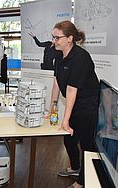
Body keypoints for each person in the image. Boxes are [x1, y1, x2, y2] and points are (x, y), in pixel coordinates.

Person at [50, 20, 99, 188]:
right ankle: (75, 168)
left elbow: (72, 90)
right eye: (53, 37)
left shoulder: (80, 58)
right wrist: (53, 107)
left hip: (87, 104)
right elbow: (56, 81)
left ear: (70, 38)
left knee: (86, 143)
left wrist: (65, 119)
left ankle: (83, 180)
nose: (54, 41)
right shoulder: (58, 53)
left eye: (57, 38)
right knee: (69, 140)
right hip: (74, 102)